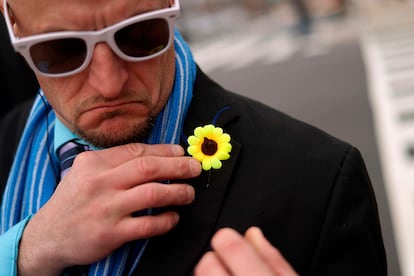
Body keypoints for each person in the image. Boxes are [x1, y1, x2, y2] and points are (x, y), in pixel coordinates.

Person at [0, 0, 386, 275]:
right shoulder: (7, 142)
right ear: (12, 22)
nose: (109, 82)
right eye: (62, 50)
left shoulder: (319, 183)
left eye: (138, 34)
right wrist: (26, 250)